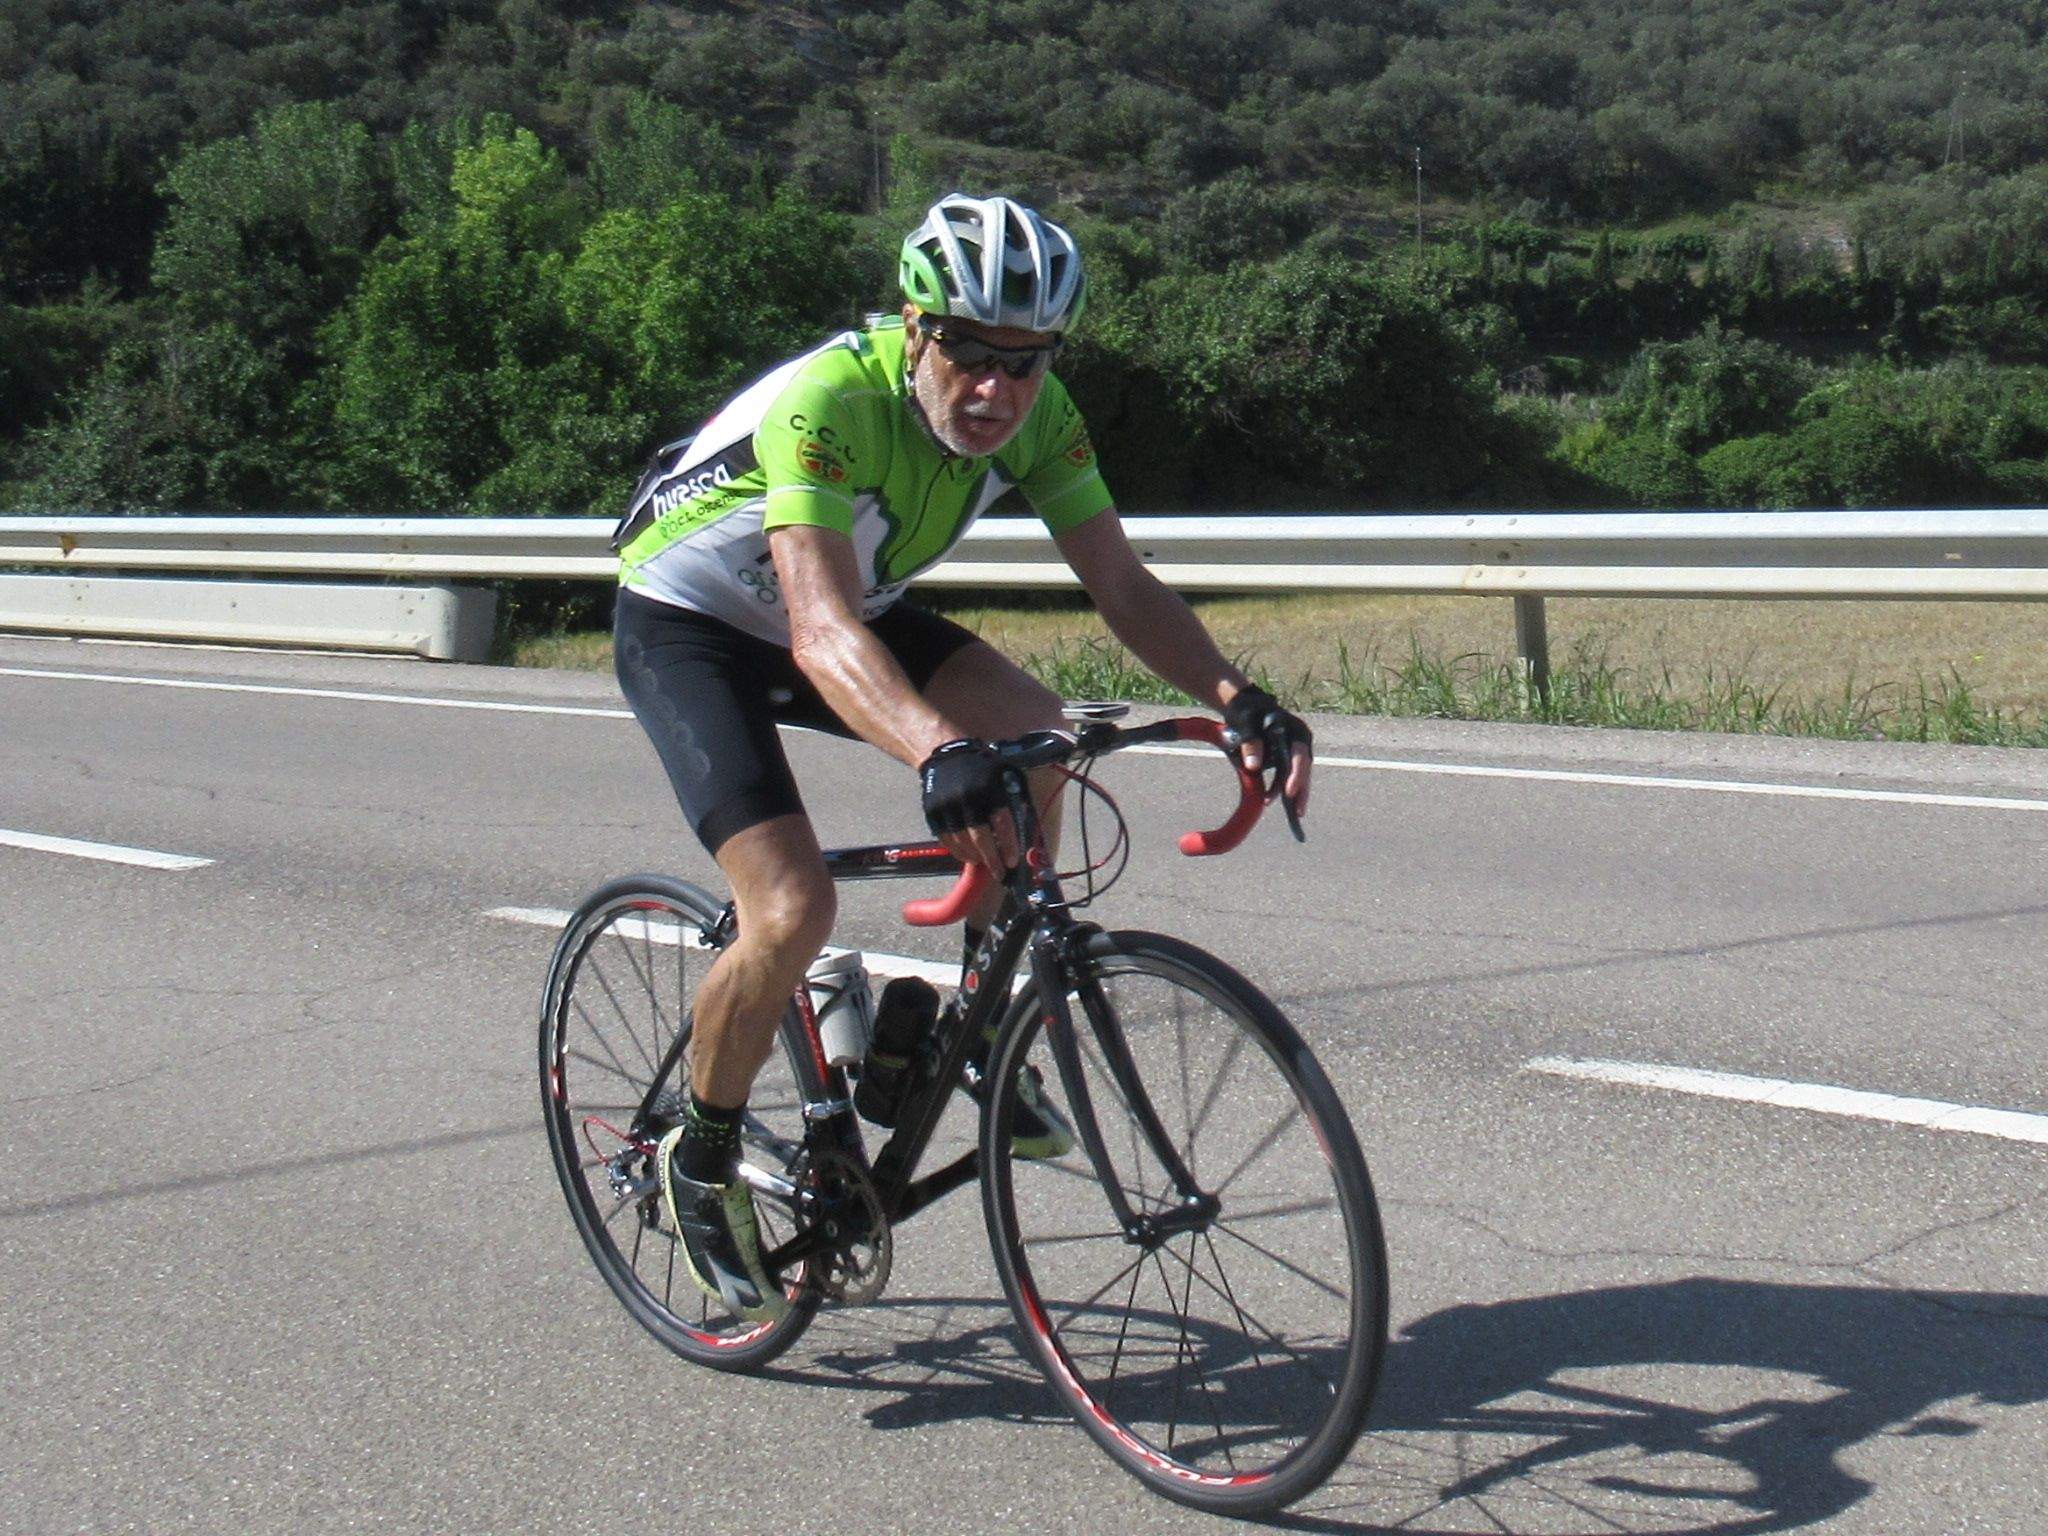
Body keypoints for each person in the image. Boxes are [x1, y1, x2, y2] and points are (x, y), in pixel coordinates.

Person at [611, 192, 1314, 1321]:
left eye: (1026, 361)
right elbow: (818, 629)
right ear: (913, 329)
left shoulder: (1041, 414)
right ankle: (698, 1154)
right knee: (789, 910)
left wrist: (1239, 698)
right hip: (697, 624)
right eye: (971, 354)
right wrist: (938, 750)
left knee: (1039, 739)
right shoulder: (831, 400)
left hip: (851, 607)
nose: (996, 390)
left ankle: (959, 1038)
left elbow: (1119, 584)